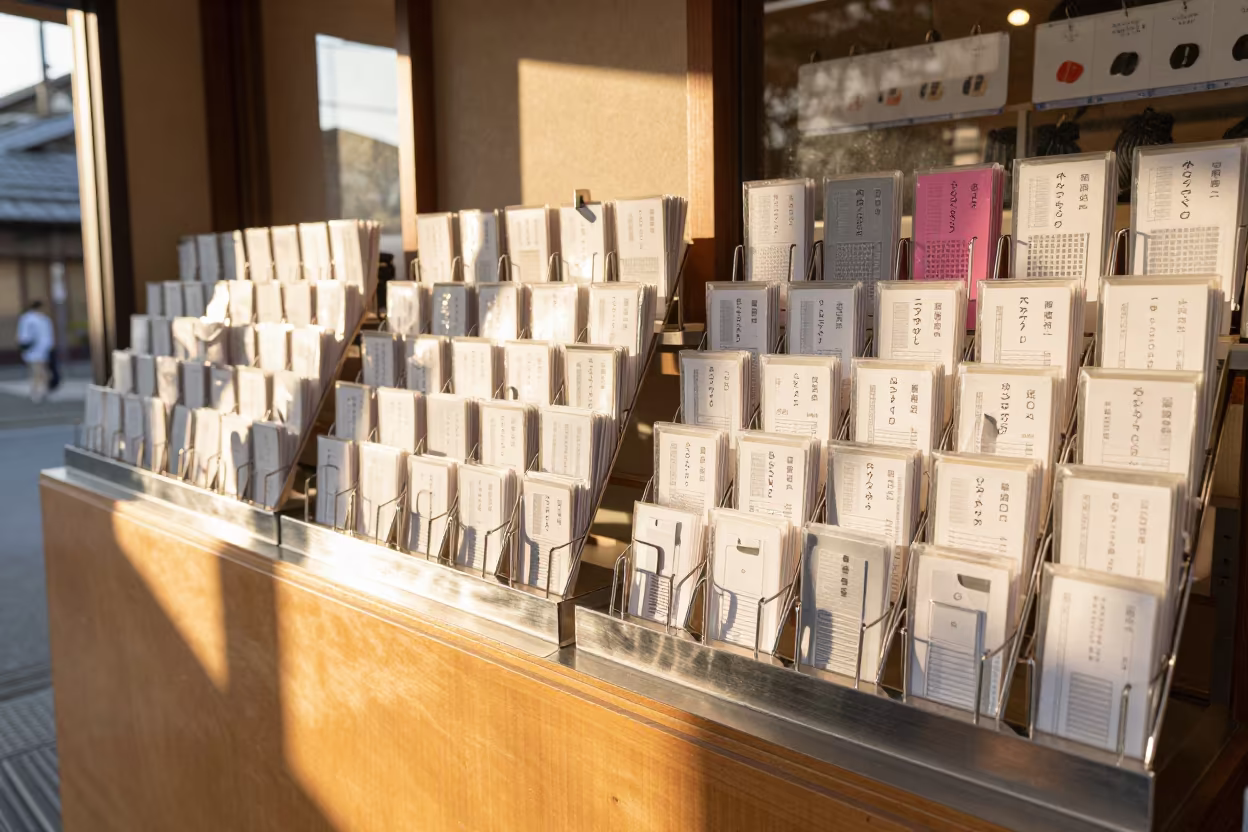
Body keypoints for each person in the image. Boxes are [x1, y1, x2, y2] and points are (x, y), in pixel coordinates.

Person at [16, 300, 56, 404]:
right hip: (34, 351)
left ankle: (41, 391)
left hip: (43, 350)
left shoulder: (44, 319)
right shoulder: (29, 319)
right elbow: (24, 335)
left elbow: (48, 335)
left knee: (42, 372)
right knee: (38, 372)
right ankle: (37, 392)